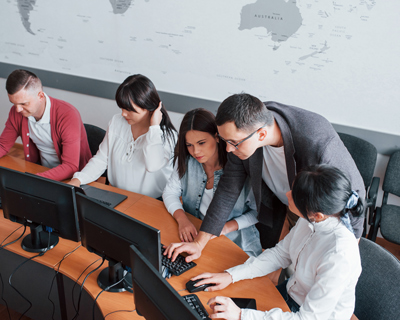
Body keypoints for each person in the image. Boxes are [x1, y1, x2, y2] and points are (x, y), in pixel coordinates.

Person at [165, 93, 365, 262]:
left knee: (315, 272)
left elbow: (352, 197)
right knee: (280, 269)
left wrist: (348, 255)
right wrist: (199, 244)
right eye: (224, 141)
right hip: (286, 207)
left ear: (261, 135)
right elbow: (228, 190)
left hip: (324, 215)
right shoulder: (247, 128)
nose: (227, 149)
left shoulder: (316, 142)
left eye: (233, 143)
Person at [192, 165, 363, 320]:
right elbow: (279, 254)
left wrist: (240, 314)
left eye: (294, 196)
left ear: (317, 215)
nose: (287, 195)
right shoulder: (310, 220)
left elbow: (308, 319)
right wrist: (231, 275)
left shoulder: (339, 254)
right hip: (289, 295)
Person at [162, 109, 262, 257]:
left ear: (217, 137)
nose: (195, 151)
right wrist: (183, 220)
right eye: (189, 145)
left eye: (201, 143)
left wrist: (225, 228)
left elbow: (257, 213)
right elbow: (170, 193)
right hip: (199, 236)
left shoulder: (239, 169)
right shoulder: (187, 162)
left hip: (238, 244)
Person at [69, 74, 177, 199]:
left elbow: (152, 166)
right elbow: (101, 160)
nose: (123, 113)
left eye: (129, 110)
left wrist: (154, 127)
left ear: (148, 107)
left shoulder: (168, 136)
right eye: (122, 108)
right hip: (116, 196)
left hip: (150, 203)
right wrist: (78, 180)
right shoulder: (117, 121)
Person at [0, 69, 91, 181]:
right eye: (14, 104)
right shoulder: (16, 112)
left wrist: (35, 179)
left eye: (23, 104)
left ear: (40, 96)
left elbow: (70, 166)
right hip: (42, 171)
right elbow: (3, 145)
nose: (18, 109)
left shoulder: (67, 115)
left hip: (75, 179)